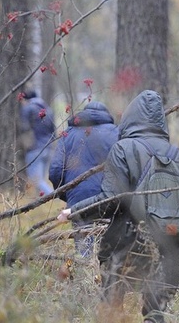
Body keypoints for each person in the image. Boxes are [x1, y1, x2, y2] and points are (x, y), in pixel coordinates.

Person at [57, 90, 179, 323]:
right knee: (155, 313)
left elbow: (111, 200)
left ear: (131, 118)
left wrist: (74, 210)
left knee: (111, 309)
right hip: (171, 248)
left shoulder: (123, 150)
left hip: (127, 246)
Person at [49, 101, 119, 257]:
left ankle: (85, 277)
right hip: (109, 198)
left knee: (84, 252)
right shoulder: (117, 133)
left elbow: (55, 171)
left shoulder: (69, 134)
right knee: (108, 249)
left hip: (78, 200)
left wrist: (69, 195)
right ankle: (105, 277)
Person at [19, 90, 56, 196]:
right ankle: (42, 203)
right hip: (48, 148)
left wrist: (25, 144)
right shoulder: (48, 109)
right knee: (41, 180)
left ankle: (53, 196)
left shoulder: (28, 108)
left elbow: (24, 127)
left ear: (26, 99)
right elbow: (53, 130)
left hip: (35, 148)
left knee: (36, 180)